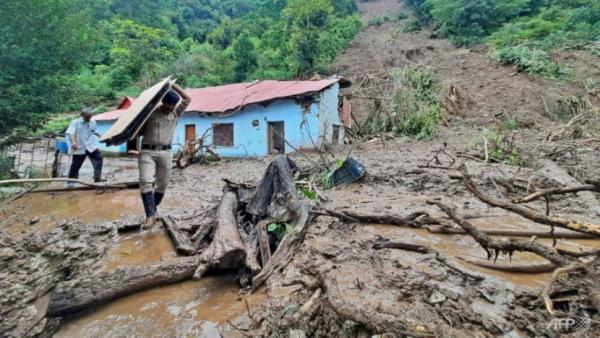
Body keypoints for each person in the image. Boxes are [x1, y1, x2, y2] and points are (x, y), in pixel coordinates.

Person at [139, 83, 191, 228]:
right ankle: (150, 216)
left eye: (173, 105)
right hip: (147, 152)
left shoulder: (176, 113)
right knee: (145, 181)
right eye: (168, 104)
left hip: (166, 152)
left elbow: (187, 99)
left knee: (163, 184)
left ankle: (153, 211)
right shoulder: (149, 113)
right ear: (163, 101)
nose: (170, 107)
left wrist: (173, 85)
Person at [66, 108, 105, 186]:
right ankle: (71, 182)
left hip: (90, 146)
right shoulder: (75, 122)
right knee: (76, 165)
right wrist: (73, 142)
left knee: (99, 157)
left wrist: (101, 135)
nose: (88, 118)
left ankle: (97, 178)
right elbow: (71, 133)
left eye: (90, 116)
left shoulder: (93, 122)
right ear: (82, 115)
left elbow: (93, 131)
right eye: (87, 117)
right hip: (79, 147)